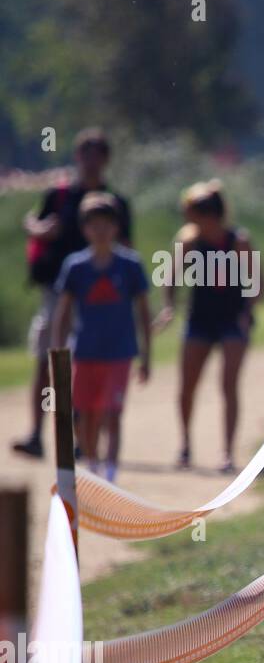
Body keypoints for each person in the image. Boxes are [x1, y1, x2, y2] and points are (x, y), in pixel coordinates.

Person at [13, 128, 132, 459]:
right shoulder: (59, 195)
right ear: (78, 157)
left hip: (96, 297)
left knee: (87, 363)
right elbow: (33, 223)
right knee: (47, 358)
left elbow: (128, 249)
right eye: (86, 155)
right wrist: (40, 229)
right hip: (56, 289)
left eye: (97, 155)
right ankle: (37, 433)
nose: (91, 162)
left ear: (106, 160)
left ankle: (83, 438)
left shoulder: (117, 203)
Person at [153, 180, 257, 473]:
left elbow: (256, 283)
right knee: (187, 387)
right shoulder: (189, 240)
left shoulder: (238, 240)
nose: (187, 218)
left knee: (228, 387)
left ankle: (227, 452)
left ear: (208, 214)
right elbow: (169, 278)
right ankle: (185, 446)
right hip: (199, 319)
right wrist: (169, 306)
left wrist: (247, 312)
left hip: (232, 321)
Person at [49, 193, 150, 483]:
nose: (101, 231)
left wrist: (146, 355)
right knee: (87, 413)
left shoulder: (130, 265)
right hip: (85, 351)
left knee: (112, 412)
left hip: (119, 353)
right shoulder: (76, 267)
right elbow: (64, 312)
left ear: (116, 227)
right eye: (95, 225)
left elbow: (143, 312)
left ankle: (112, 470)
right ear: (85, 229)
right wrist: (57, 354)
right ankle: (92, 463)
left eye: (107, 224)